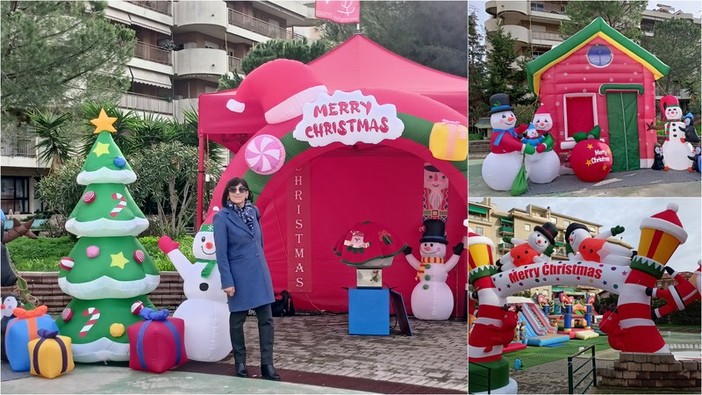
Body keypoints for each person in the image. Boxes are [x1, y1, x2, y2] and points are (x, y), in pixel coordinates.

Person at [213, 178, 280, 381]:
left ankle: (267, 364)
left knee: (266, 319)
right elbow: (221, 253)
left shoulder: (254, 212)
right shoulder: (222, 218)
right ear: (227, 193)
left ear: (248, 193)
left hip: (259, 272)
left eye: (242, 189)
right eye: (233, 189)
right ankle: (240, 362)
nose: (237, 192)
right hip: (238, 276)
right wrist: (227, 281)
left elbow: (258, 241)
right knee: (237, 320)